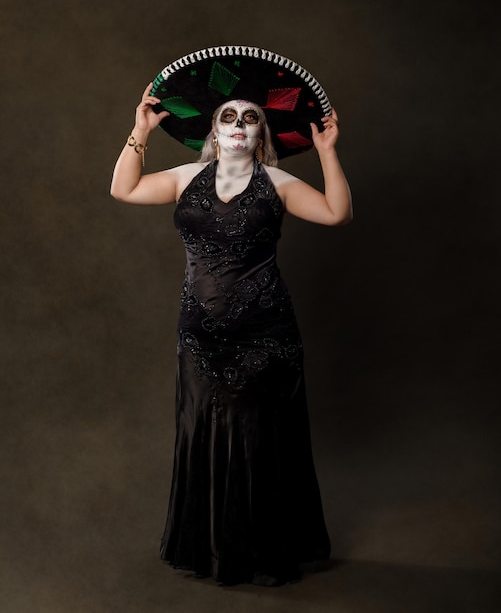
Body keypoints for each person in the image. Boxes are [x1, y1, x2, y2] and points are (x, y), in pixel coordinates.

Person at [111, 47, 352, 586]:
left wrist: (328, 152)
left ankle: (265, 553)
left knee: (259, 437)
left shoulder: (279, 184)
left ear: (261, 133)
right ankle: (215, 551)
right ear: (214, 132)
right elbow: (122, 188)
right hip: (199, 334)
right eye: (229, 117)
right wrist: (140, 132)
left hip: (267, 335)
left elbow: (338, 213)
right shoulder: (183, 177)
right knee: (204, 432)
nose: (239, 125)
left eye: (250, 118)